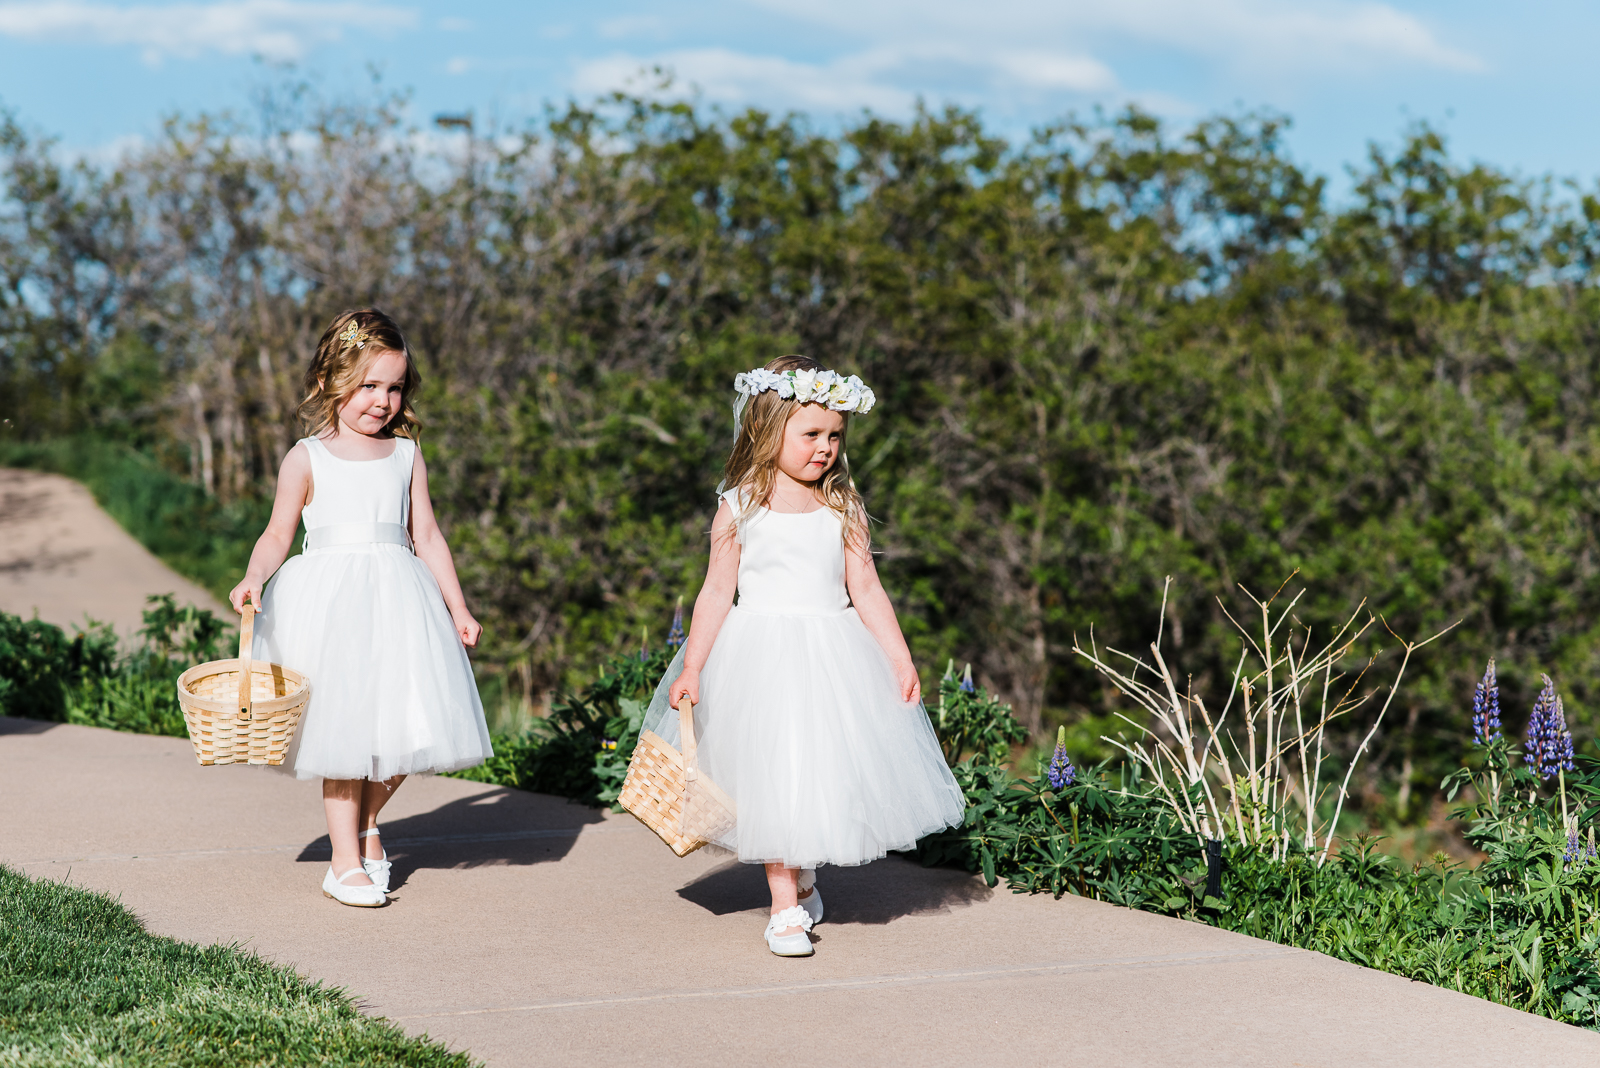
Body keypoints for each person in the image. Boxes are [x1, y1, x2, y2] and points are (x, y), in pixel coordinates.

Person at [645, 354, 964, 957]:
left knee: (818, 772)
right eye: (811, 433)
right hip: (760, 659)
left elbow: (866, 587)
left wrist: (899, 658)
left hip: (831, 659)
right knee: (774, 775)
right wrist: (693, 666)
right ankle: (784, 908)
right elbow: (716, 591)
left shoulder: (843, 507)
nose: (825, 448)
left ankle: (803, 874)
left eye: (835, 436)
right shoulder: (740, 505)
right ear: (769, 430)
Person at [229, 308, 492, 908]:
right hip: (332, 607)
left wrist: (458, 607)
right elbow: (276, 534)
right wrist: (253, 576)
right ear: (329, 382)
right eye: (369, 385)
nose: (383, 401)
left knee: (411, 724)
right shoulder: (307, 457)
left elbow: (427, 536)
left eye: (394, 388)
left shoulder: (405, 455)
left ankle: (367, 825)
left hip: (400, 602)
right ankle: (343, 863)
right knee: (344, 735)